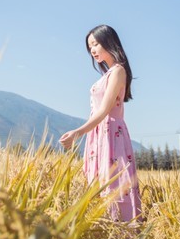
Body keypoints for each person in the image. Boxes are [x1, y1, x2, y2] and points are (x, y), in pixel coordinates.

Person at [59, 24, 142, 222]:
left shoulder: (118, 71)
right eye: (90, 47)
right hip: (98, 135)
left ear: (108, 42)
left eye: (95, 44)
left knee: (114, 186)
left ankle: (122, 235)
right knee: (98, 186)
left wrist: (77, 132)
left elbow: (104, 110)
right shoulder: (107, 75)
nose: (92, 50)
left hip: (111, 133)